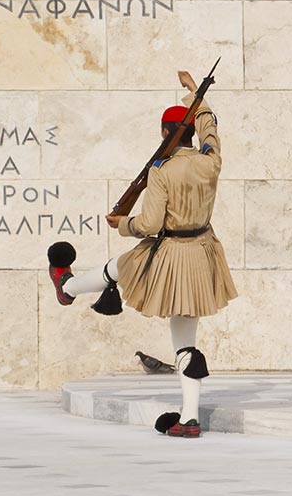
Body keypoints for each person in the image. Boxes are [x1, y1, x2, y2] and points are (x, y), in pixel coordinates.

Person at [47, 89, 237, 438]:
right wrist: (199, 96)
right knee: (185, 342)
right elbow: (211, 129)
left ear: (165, 133)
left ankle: (67, 287)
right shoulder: (211, 160)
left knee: (118, 267)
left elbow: (148, 225)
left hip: (170, 253)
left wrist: (122, 224)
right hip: (203, 253)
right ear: (192, 130)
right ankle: (190, 419)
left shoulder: (162, 170)